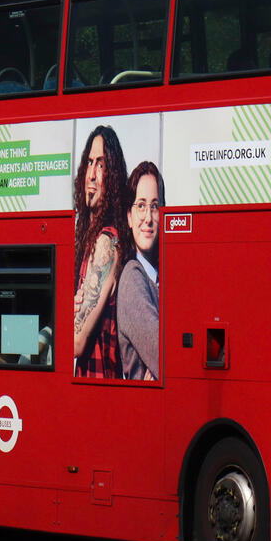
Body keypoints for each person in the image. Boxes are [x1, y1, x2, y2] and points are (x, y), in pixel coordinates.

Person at [72, 125, 128, 378]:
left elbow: (76, 341)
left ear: (113, 176)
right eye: (89, 162)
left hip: (98, 388)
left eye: (101, 165)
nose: (92, 175)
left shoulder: (106, 242)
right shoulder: (92, 238)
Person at [118, 162, 163, 381]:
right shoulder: (133, 277)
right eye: (141, 205)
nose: (147, 218)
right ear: (129, 216)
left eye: (154, 206)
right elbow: (167, 358)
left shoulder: (157, 278)